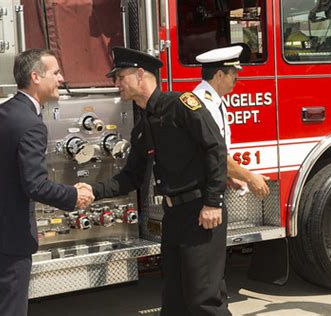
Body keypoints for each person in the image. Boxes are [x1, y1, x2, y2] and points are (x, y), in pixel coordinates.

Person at [84, 47, 230, 315]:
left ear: (141, 75)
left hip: (201, 213)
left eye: (120, 77)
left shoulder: (182, 105)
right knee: (174, 298)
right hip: (173, 216)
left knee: (204, 300)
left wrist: (213, 202)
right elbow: (131, 177)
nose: (116, 84)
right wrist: (91, 190)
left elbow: (216, 149)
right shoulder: (144, 127)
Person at [0, 48, 94, 316]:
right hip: (9, 234)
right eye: (56, 72)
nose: (61, 78)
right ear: (36, 77)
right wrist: (73, 195)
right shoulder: (31, 124)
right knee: (9, 308)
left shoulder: (3, 112)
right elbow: (35, 185)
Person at [193, 45, 270, 199]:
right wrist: (250, 178)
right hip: (202, 195)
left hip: (207, 187)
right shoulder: (205, 104)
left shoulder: (213, 100)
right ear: (220, 75)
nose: (237, 78)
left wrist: (230, 177)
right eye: (233, 73)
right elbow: (215, 156)